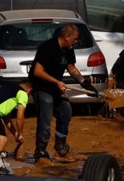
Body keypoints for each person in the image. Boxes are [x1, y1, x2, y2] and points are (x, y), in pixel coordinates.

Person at [29, 24, 93, 163]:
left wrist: (83, 81)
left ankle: (60, 144)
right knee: (45, 120)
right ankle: (40, 151)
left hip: (55, 88)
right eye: (75, 39)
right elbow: (37, 71)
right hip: (43, 88)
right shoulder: (48, 48)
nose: (76, 42)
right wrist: (56, 82)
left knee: (66, 111)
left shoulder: (69, 49)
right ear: (66, 37)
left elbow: (70, 66)